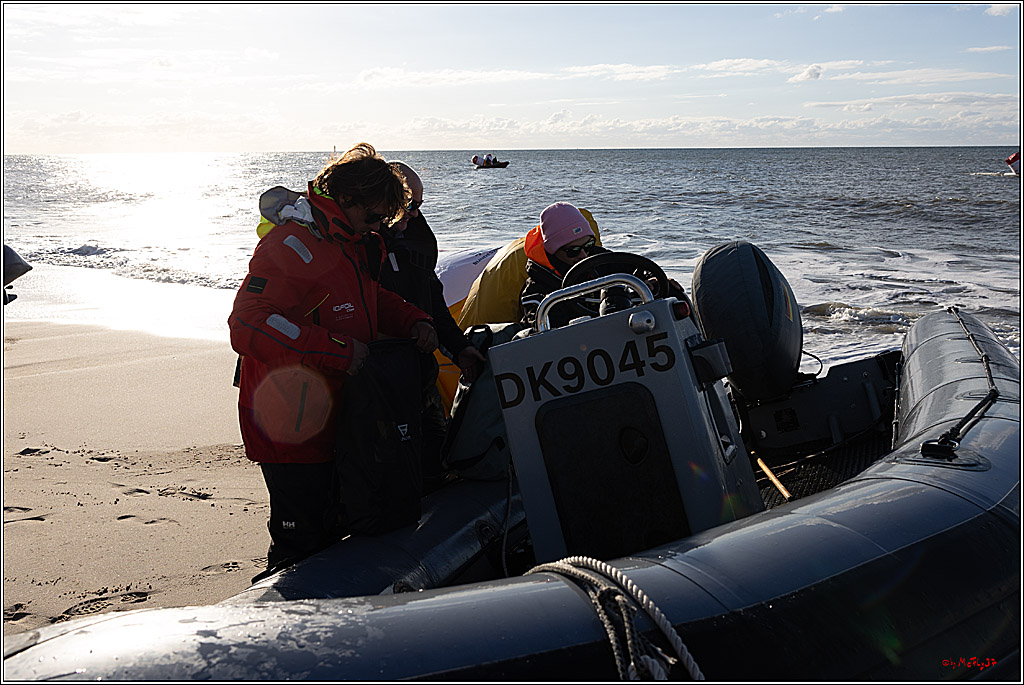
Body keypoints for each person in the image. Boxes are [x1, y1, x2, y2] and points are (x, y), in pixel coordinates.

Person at [229, 142, 438, 574]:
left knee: (335, 526)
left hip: (334, 416)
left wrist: (412, 319)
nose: (378, 226)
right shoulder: (293, 244)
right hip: (289, 422)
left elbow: (365, 296)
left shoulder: (341, 242)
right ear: (347, 199)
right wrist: (338, 351)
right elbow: (249, 322)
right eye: (374, 215)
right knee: (301, 540)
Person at [378, 161, 485, 490]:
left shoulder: (415, 244)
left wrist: (461, 348)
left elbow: (434, 307)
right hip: (380, 390)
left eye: (419, 207)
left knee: (436, 467)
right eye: (409, 206)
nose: (413, 215)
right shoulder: (361, 249)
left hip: (421, 383)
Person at [519, 202, 609, 329]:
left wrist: (647, 281)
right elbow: (537, 331)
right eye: (573, 251)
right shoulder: (537, 290)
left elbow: (639, 269)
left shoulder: (600, 258)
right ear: (554, 251)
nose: (583, 255)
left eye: (588, 245)